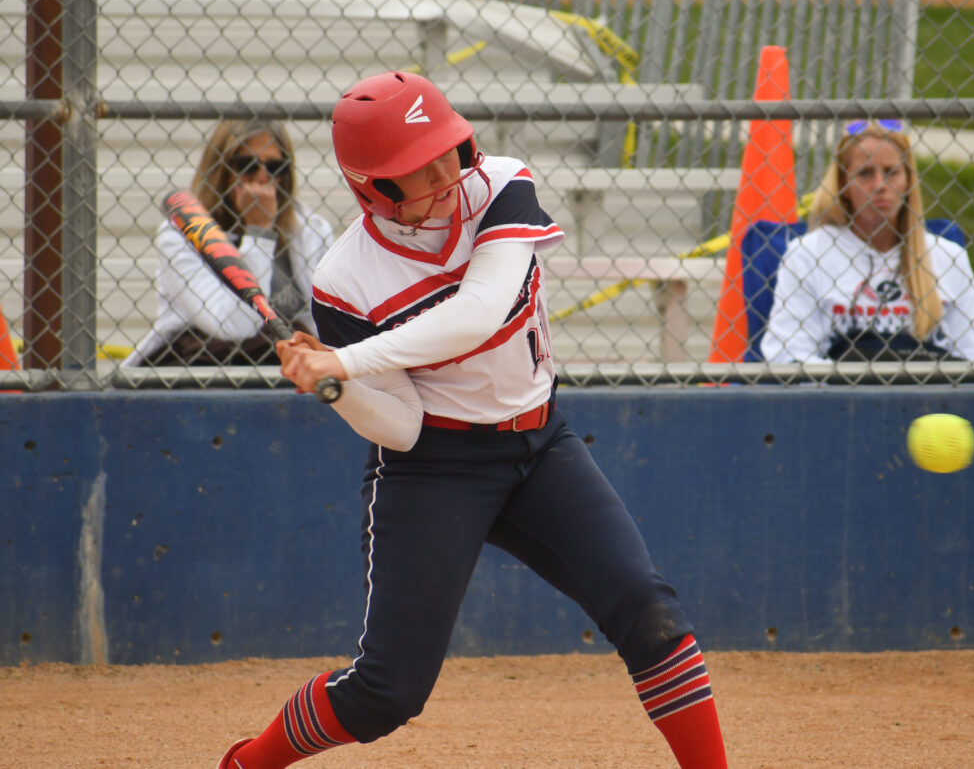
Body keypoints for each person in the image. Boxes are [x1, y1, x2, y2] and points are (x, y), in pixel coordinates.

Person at [216, 71, 728, 769]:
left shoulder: (501, 186)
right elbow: (400, 427)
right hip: (434, 469)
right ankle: (246, 762)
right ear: (374, 188)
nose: (445, 174)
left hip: (541, 444)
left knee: (647, 608)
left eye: (449, 150)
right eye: (417, 168)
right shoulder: (344, 278)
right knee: (386, 692)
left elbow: (481, 312)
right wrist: (334, 386)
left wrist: (348, 361)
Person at [761, 119, 974, 363]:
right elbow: (785, 353)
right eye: (865, 173)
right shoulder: (808, 254)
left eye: (891, 172)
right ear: (844, 184)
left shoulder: (948, 256)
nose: (879, 185)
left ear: (908, 181)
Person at [124, 119, 335, 367]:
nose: (262, 178)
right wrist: (259, 231)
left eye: (275, 168)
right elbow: (235, 328)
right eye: (247, 165)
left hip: (286, 370)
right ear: (220, 171)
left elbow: (323, 327)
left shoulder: (308, 230)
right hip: (208, 371)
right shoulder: (181, 235)